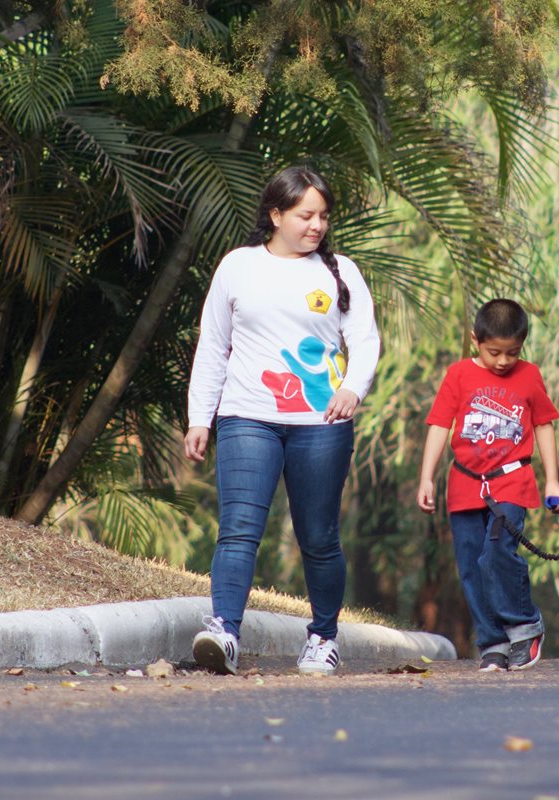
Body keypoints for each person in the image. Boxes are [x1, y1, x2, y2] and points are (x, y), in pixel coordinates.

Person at [184, 166, 381, 676]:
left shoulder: (341, 272)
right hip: (248, 415)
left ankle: (322, 636)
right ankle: (224, 630)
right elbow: (213, 344)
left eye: (323, 216)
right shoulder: (238, 266)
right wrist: (199, 417)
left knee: (318, 536)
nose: (317, 225)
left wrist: (352, 389)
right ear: (276, 215)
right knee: (239, 529)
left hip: (322, 422)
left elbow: (365, 340)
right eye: (305, 215)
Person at [417, 299, 559, 672]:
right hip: (465, 482)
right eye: (493, 352)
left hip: (511, 481)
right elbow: (439, 424)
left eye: (512, 352)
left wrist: (553, 481)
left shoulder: (529, 375)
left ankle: (524, 627)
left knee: (496, 552)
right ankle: (493, 642)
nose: (503, 361)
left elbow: (544, 424)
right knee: (470, 563)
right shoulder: (458, 374)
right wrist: (426, 477)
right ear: (475, 340)